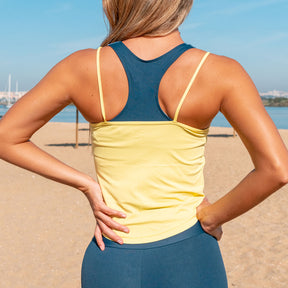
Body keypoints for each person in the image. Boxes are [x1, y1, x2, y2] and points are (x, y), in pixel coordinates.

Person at [0, 0, 288, 287]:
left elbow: (6, 137)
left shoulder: (83, 66)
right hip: (190, 254)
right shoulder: (219, 71)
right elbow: (276, 170)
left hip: (112, 255)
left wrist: (85, 183)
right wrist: (213, 217)